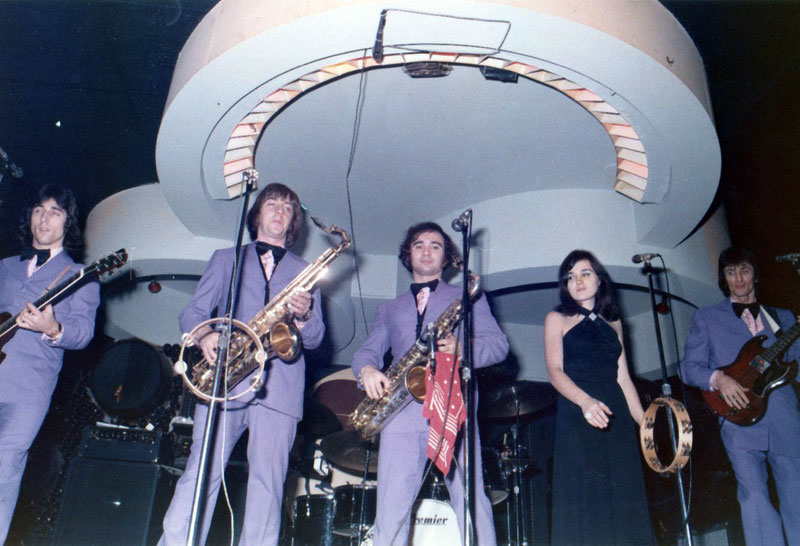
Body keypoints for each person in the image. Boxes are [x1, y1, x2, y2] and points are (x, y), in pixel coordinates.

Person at [158, 183, 325, 546]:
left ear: (294, 221)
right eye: (272, 203)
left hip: (280, 391)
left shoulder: (306, 272)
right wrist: (205, 335)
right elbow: (193, 313)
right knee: (201, 473)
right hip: (224, 383)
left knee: (268, 486)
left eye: (288, 208)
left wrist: (306, 314)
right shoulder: (226, 258)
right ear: (257, 213)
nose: (279, 211)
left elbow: (314, 340)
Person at [352, 221, 509, 546]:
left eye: (435, 246)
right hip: (400, 411)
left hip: (453, 404)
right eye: (419, 244)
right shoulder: (388, 309)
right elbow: (367, 352)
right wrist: (366, 370)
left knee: (470, 500)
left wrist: (463, 349)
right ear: (408, 254)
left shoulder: (468, 297)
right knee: (391, 509)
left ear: (445, 258)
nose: (426, 251)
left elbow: (499, 345)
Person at [0, 185, 101, 543]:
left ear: (67, 222)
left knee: (6, 463)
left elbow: (83, 333)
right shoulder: (5, 267)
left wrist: (52, 328)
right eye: (39, 210)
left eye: (55, 212)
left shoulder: (81, 275)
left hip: (28, 390)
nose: (44, 219)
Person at [680, 247, 800, 546]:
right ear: (723, 277)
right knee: (755, 496)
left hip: (784, 415)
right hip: (738, 415)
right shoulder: (707, 318)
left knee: (796, 491)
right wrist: (719, 379)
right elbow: (689, 368)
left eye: (744, 270)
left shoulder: (783, 317)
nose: (739, 278)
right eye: (731, 272)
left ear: (754, 274)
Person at [544, 249, 651, 545]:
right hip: (579, 414)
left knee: (624, 496)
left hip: (616, 417)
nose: (577, 281)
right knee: (588, 499)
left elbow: (623, 379)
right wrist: (585, 402)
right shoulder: (557, 318)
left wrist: (645, 424)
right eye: (570, 277)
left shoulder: (614, 322)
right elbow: (554, 372)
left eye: (585, 273)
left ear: (599, 279)